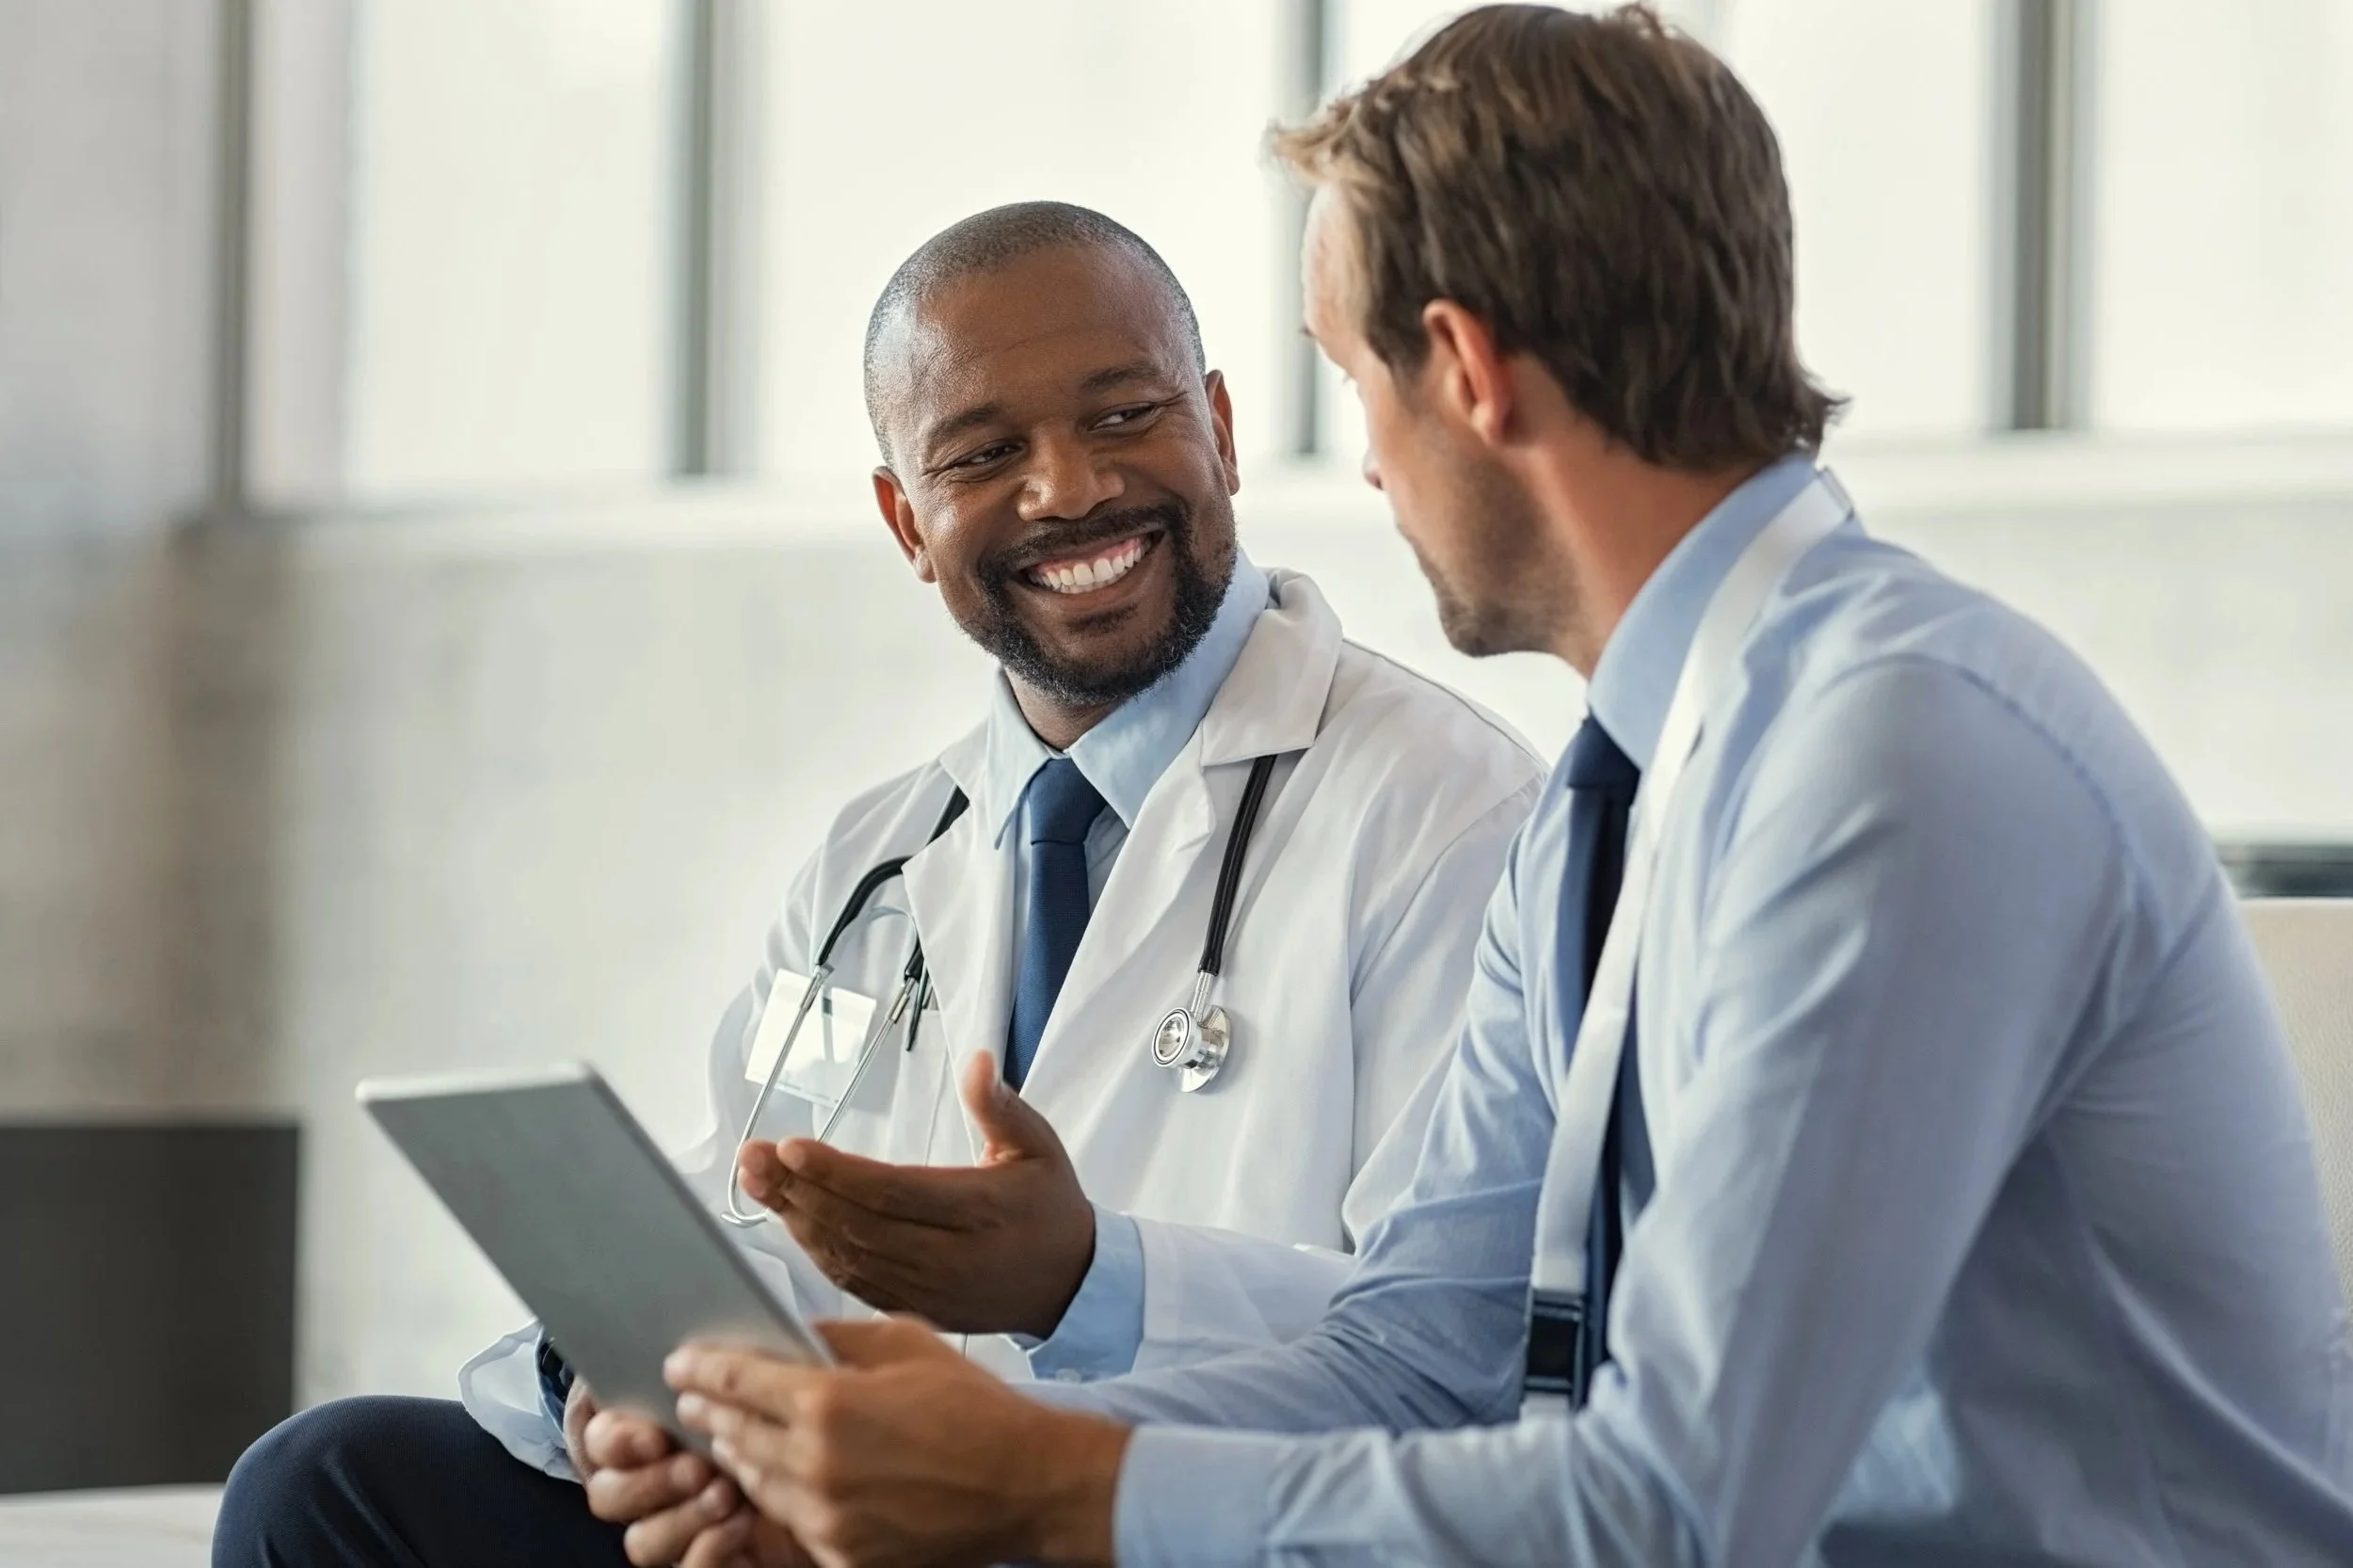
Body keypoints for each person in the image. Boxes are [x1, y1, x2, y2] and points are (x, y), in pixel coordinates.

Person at [649, 8, 2353, 1566]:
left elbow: (1676, 1506)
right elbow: (1425, 1360)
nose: (1365, 465)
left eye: (1352, 379)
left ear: (1462, 369)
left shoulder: (1892, 763)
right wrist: (939, 1454)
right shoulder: (1615, 806)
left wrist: (1039, 1490)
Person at [209, 202, 1545, 1566]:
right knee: (330, 1486)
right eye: (985, 454)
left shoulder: (1447, 813)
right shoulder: (879, 867)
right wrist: (617, 1390)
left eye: (1125, 414)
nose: (1069, 487)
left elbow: (1461, 1354)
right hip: (854, 1512)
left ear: (1220, 429)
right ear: (908, 520)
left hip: (1162, 1523)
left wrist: (1088, 1281)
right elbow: (753, 1207)